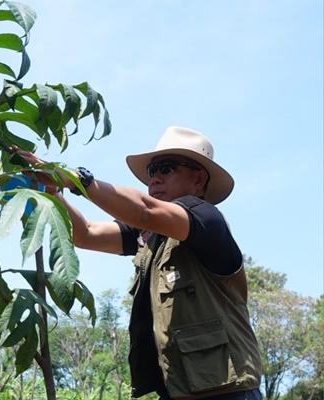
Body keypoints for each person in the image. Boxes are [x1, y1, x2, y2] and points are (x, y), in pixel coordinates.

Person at [18, 126, 262, 400]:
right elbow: (85, 233)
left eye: (167, 168)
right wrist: (53, 191)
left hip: (226, 390)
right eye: (152, 171)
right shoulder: (150, 238)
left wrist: (74, 179)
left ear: (199, 179)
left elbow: (145, 212)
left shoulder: (207, 220)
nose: (155, 178)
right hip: (179, 390)